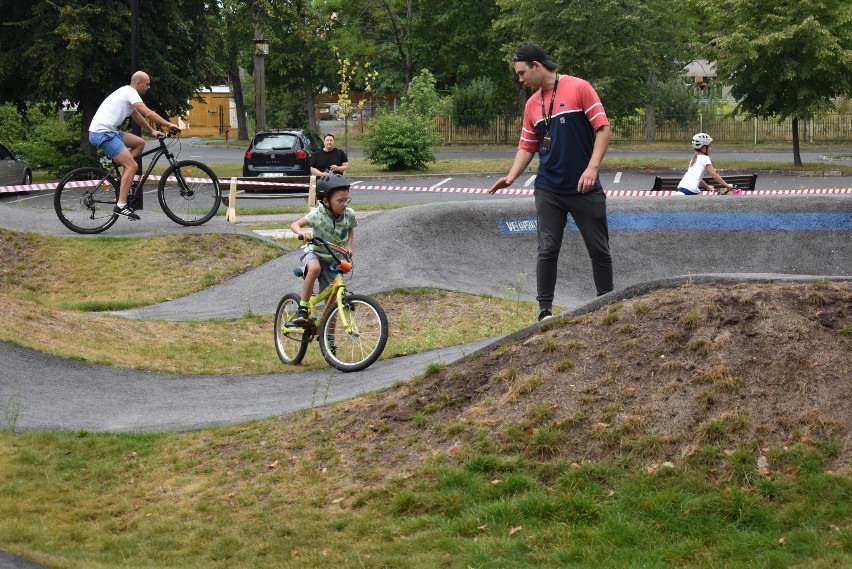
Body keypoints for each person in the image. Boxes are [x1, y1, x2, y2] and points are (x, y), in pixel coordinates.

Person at [488, 44, 613, 322]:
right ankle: (544, 311)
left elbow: (603, 128)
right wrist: (511, 176)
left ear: (536, 65)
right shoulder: (532, 104)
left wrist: (592, 168)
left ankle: (607, 304)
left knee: (599, 249)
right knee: (547, 249)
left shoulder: (579, 88)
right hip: (548, 189)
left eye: (522, 73)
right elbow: (527, 145)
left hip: (583, 188)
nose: (520, 79)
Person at [88, 71, 181, 220]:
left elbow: (136, 115)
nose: (149, 87)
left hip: (108, 132)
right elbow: (148, 113)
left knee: (139, 143)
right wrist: (169, 124)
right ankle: (121, 205)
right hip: (102, 134)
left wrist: (151, 131)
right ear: (138, 84)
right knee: (132, 166)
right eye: (147, 84)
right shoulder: (130, 92)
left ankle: (125, 176)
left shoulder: (127, 93)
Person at [287, 174, 357, 325]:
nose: (345, 204)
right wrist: (302, 233)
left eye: (347, 200)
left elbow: (351, 228)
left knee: (331, 305)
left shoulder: (349, 214)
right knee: (314, 268)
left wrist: (349, 245)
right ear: (326, 201)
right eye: (340, 201)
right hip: (315, 253)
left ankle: (330, 342)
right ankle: (302, 309)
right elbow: (295, 225)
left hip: (333, 258)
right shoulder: (317, 215)